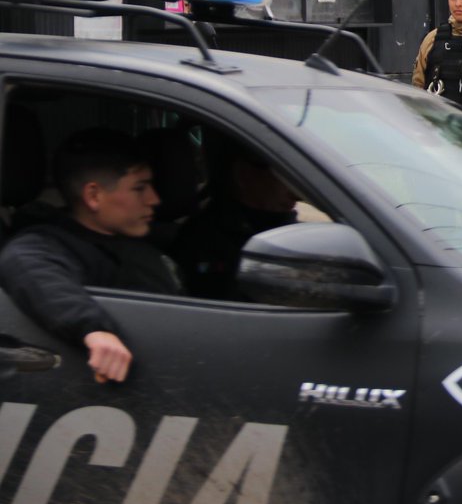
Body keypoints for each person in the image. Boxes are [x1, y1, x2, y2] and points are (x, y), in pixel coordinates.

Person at [0, 128, 183, 384]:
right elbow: (27, 265)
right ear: (94, 196)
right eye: (139, 188)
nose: (154, 199)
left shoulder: (144, 241)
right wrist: (92, 329)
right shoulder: (46, 244)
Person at [171, 148, 299, 300]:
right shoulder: (204, 239)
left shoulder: (288, 233)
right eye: (284, 176)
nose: (296, 194)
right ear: (244, 174)